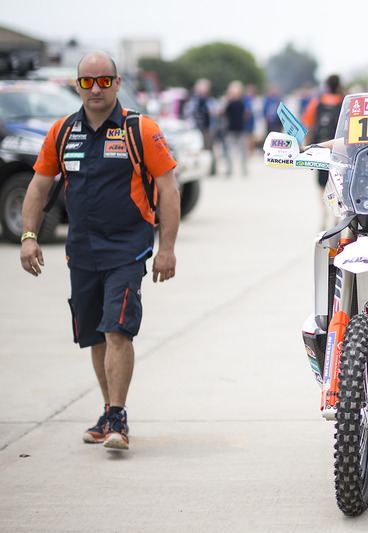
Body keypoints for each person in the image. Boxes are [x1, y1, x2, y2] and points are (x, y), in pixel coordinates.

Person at [19, 51, 180, 451]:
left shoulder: (139, 129)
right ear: (77, 85)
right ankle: (109, 410)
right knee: (94, 336)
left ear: (117, 83)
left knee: (117, 331)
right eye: (88, 81)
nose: (96, 88)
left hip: (127, 249)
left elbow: (168, 187)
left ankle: (118, 417)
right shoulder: (62, 131)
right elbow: (38, 187)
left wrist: (168, 248)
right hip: (81, 253)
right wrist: (28, 235)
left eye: (104, 81)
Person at [302, 74, 345, 229]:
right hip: (339, 149)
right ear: (339, 85)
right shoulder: (345, 102)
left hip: (321, 147)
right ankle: (336, 213)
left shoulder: (317, 102)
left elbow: (307, 122)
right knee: (338, 182)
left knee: (321, 183)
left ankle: (324, 210)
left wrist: (308, 144)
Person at [183, 78, 218, 175]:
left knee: (209, 148)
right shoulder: (193, 100)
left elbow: (214, 112)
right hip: (196, 128)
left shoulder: (209, 100)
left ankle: (211, 169)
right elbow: (188, 113)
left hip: (207, 128)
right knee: (197, 148)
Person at [222, 80, 251, 177]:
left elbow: (223, 114)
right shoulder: (242, 103)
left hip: (234, 129)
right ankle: (241, 170)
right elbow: (247, 115)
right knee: (239, 151)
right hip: (238, 129)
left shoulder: (231, 103)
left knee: (233, 151)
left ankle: (233, 170)